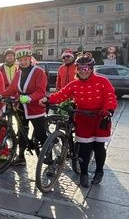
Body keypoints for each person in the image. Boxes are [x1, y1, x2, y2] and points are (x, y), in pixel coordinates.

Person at [39, 52, 117, 188]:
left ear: (91, 69)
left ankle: (99, 171)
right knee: (84, 149)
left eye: (85, 69)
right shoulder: (74, 84)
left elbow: (110, 96)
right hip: (82, 118)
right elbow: (62, 94)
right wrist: (48, 99)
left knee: (99, 147)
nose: (82, 72)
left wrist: (108, 109)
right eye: (79, 69)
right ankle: (84, 173)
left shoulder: (103, 81)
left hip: (100, 118)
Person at [0, 45, 47, 166]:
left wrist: (30, 97)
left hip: (35, 107)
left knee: (41, 134)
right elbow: (12, 89)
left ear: (30, 59)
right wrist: (0, 95)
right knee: (21, 132)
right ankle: (21, 157)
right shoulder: (18, 73)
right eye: (21, 60)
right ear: (18, 61)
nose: (23, 62)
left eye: (26, 59)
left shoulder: (39, 72)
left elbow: (41, 91)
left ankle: (50, 160)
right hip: (21, 107)